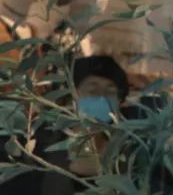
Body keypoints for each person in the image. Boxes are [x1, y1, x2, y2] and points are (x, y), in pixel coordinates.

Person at [39, 55, 130, 193]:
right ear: (72, 95)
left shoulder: (129, 151)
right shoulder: (43, 148)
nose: (102, 97)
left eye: (110, 92)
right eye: (92, 91)